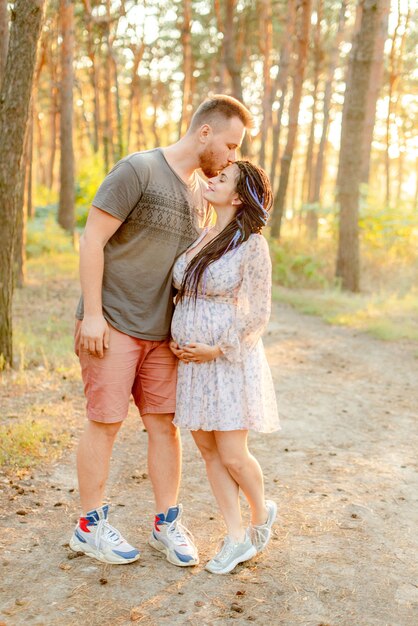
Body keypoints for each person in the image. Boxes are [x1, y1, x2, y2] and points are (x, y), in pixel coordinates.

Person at [69, 95, 254, 566]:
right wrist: (92, 314)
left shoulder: (200, 195)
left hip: (162, 335)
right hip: (111, 323)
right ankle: (88, 526)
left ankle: (165, 523)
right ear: (205, 132)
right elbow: (92, 238)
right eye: (230, 145)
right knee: (105, 422)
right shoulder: (138, 170)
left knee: (163, 427)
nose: (232, 157)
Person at [170, 160, 280, 575]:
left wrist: (216, 349)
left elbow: (259, 313)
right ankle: (234, 537)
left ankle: (259, 513)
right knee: (208, 451)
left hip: (227, 359)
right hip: (192, 361)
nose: (211, 179)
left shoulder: (252, 245)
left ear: (238, 196)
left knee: (233, 453)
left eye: (222, 179)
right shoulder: (200, 235)